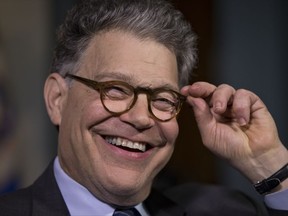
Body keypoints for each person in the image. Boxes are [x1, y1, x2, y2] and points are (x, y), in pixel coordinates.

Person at [0, 0, 287, 215]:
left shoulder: (224, 210)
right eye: (114, 89)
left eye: (162, 99)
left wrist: (268, 162)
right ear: (57, 100)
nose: (140, 118)